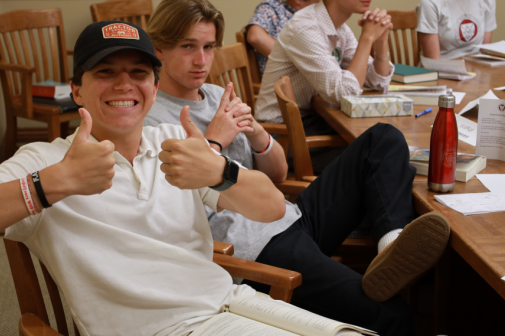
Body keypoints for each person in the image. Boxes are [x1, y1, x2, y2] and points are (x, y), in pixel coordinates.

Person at [0, 20, 288, 336]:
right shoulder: (46, 160)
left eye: (139, 73)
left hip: (233, 305)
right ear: (77, 89)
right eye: (105, 71)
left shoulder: (176, 144)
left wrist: (219, 170)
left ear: (154, 89)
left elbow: (271, 208)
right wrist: (53, 183)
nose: (124, 84)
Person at [145, 1, 450, 335]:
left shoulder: (217, 94)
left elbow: (277, 175)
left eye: (208, 47)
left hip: (288, 216)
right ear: (158, 51)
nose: (201, 60)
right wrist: (214, 142)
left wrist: (257, 134)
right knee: (393, 315)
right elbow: (176, 205)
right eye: (188, 47)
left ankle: (391, 244)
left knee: (383, 138)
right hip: (254, 248)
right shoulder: (153, 121)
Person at [254, 0, 394, 139]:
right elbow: (344, 94)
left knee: (383, 138)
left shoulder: (339, 28)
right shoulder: (306, 28)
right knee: (379, 143)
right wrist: (367, 38)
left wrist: (381, 40)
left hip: (312, 120)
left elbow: (377, 82)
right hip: (280, 134)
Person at [246, 0, 319, 76]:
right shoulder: (271, 8)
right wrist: (296, 60)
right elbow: (255, 37)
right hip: (281, 82)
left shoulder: (318, 15)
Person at [417, 0, 497, 60]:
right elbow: (433, 63)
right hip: (444, 72)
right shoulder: (430, 3)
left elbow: (485, 53)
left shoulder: (488, 1)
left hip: (476, 71)